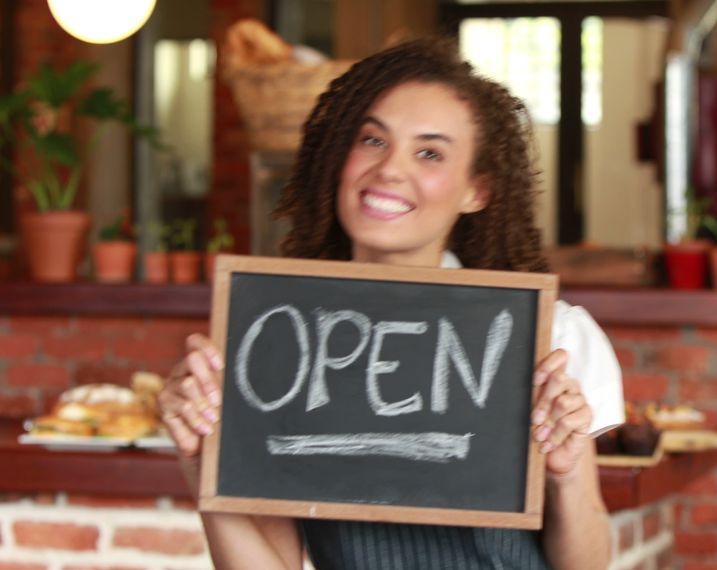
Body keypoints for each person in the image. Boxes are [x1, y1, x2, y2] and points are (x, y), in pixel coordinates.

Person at [158, 38, 625, 570]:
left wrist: (564, 479)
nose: (389, 170)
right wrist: (204, 464)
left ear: (478, 189)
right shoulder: (282, 340)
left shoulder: (548, 338)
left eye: (429, 152)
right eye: (372, 140)